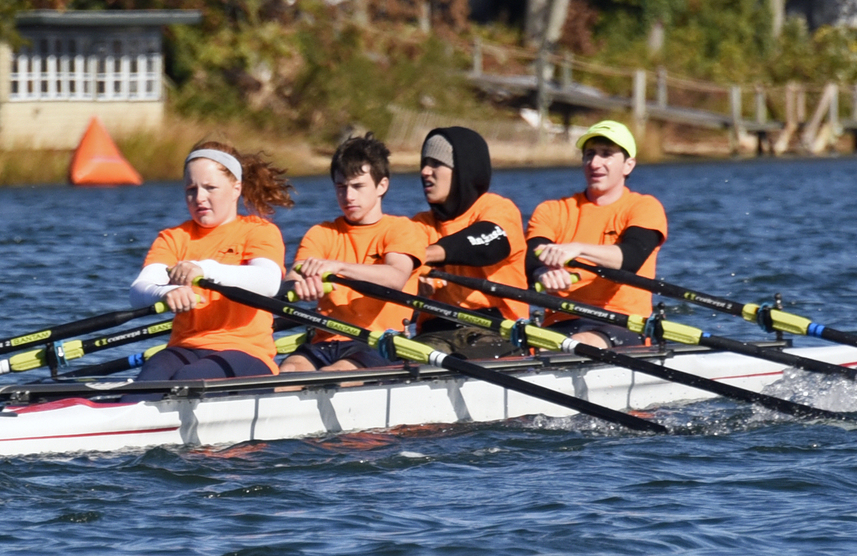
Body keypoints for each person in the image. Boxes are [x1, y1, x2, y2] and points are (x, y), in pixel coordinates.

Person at [129, 141, 295, 380]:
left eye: (210, 188)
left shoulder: (259, 231)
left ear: (236, 188)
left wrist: (204, 270)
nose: (199, 198)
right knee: (147, 382)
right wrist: (166, 293)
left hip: (246, 352)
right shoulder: (174, 238)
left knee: (187, 379)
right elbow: (138, 291)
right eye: (191, 189)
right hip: (184, 347)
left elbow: (267, 283)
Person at [281, 135, 422, 372]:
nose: (348, 196)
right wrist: (299, 286)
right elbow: (294, 277)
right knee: (288, 372)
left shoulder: (402, 229)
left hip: (379, 343)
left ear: (382, 186)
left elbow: (396, 277)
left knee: (331, 375)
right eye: (341, 186)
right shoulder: (321, 233)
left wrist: (337, 267)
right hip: (325, 341)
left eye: (357, 186)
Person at [527, 120, 668, 347]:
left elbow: (630, 258)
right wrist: (542, 273)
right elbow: (530, 258)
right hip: (560, 322)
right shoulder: (551, 210)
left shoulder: (644, 207)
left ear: (628, 165)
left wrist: (578, 248)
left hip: (623, 322)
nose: (595, 162)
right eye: (590, 154)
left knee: (576, 344)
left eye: (606, 154)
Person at [410, 127, 529, 359]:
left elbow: (488, 242)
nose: (425, 171)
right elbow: (408, 267)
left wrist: (426, 254)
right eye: (424, 163)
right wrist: (418, 283)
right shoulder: (419, 225)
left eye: (436, 163)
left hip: (498, 329)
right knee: (411, 362)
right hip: (436, 332)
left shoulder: (498, 209)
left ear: (463, 170)